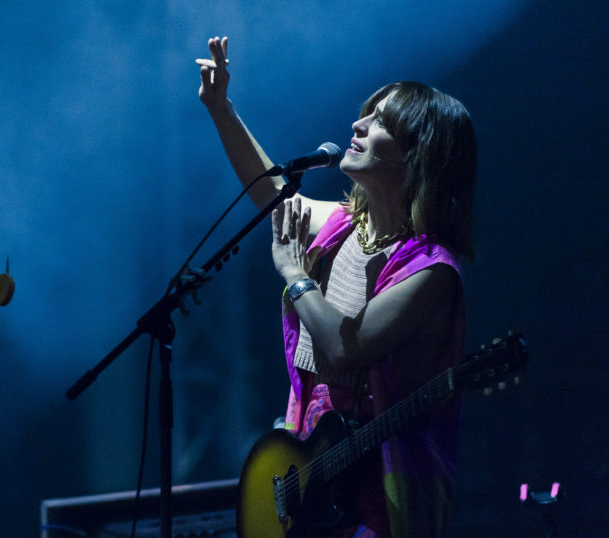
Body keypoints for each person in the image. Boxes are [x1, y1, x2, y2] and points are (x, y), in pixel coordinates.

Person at [197, 36, 476, 537]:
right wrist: (222, 110)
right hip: (315, 484)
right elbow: (271, 193)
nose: (358, 125)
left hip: (382, 502)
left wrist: (296, 276)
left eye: (381, 122)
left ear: (418, 155)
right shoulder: (342, 226)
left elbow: (348, 347)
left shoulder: (432, 270)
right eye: (365, 115)